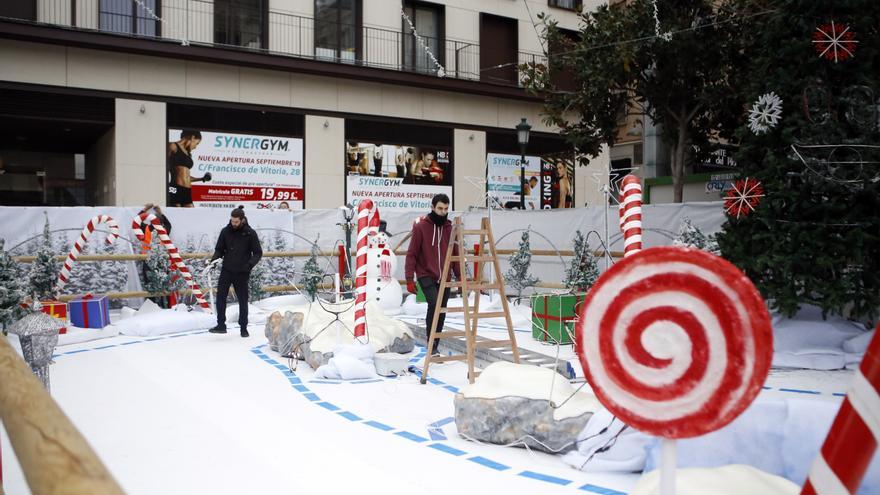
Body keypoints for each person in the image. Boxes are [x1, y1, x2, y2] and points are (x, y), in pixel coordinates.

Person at [405, 194, 460, 357]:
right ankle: (431, 344)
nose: (443, 212)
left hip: (444, 277)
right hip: (425, 274)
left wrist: (460, 277)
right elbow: (412, 253)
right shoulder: (421, 226)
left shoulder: (450, 228)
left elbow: (455, 254)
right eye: (439, 208)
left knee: (441, 310)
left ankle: (435, 344)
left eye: (445, 209)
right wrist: (409, 278)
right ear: (432, 207)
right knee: (435, 304)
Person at [208, 206, 263, 337]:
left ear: (242, 220)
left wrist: (249, 265)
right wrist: (213, 261)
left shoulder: (250, 233)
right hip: (227, 270)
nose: (234, 224)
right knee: (220, 298)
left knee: (243, 300)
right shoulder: (225, 231)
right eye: (232, 221)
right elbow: (219, 249)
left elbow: (258, 253)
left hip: (242, 272)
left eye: (236, 222)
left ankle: (243, 327)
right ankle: (221, 325)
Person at [168, 130, 211, 207]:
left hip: (187, 191)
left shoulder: (188, 154)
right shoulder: (172, 146)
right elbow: (163, 168)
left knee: (191, 215)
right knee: (177, 215)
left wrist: (202, 179)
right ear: (192, 137)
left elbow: (185, 177)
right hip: (175, 189)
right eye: (197, 143)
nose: (195, 147)